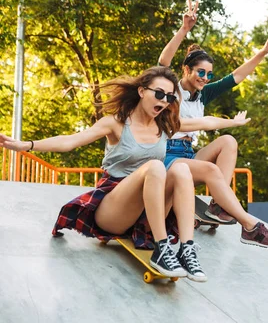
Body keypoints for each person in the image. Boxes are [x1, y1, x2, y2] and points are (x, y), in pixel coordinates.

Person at [0, 67, 212, 282]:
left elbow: (207, 122)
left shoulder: (165, 126)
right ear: (141, 91)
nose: (164, 101)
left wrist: (234, 122)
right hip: (114, 208)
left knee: (181, 168)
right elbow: (70, 140)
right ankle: (162, 248)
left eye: (169, 97)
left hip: (147, 213)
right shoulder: (116, 123)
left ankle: (186, 249)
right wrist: (27, 145)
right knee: (156, 167)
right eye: (159, 94)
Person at [157, 0, 268, 248]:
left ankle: (218, 205)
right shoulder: (170, 88)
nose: (205, 78)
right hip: (165, 157)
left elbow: (235, 77)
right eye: (200, 73)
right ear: (186, 70)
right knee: (216, 158)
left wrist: (263, 52)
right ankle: (250, 226)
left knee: (228, 141)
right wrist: (184, 29)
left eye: (209, 74)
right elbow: (162, 63)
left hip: (188, 157)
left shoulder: (204, 93)